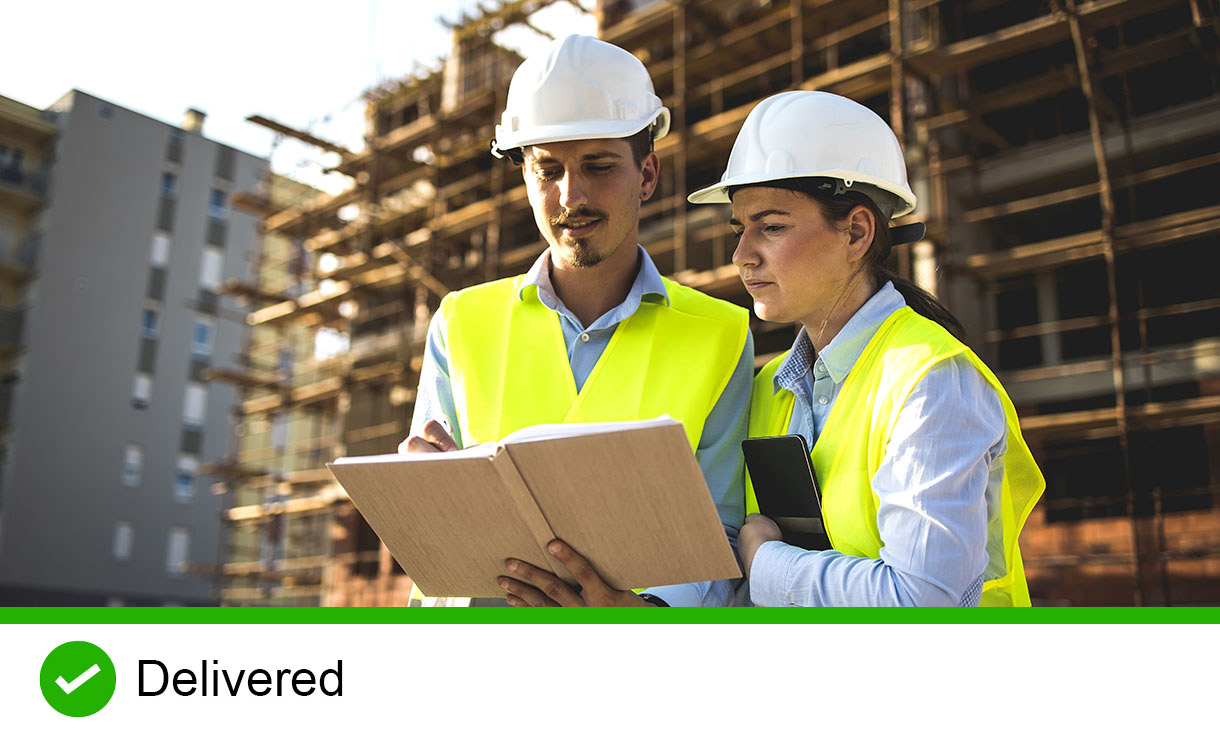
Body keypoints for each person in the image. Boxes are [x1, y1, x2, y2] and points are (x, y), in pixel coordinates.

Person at [400, 35, 753, 607]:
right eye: (548, 170)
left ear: (646, 175)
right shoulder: (461, 321)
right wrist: (424, 501)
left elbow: (723, 534)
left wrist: (641, 615)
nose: (572, 196)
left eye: (598, 165)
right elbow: (434, 554)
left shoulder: (720, 333)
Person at [687, 90, 1045, 606]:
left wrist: (764, 563)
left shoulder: (932, 382)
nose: (742, 255)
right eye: (740, 229)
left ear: (856, 232)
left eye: (771, 227)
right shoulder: (768, 390)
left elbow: (922, 602)